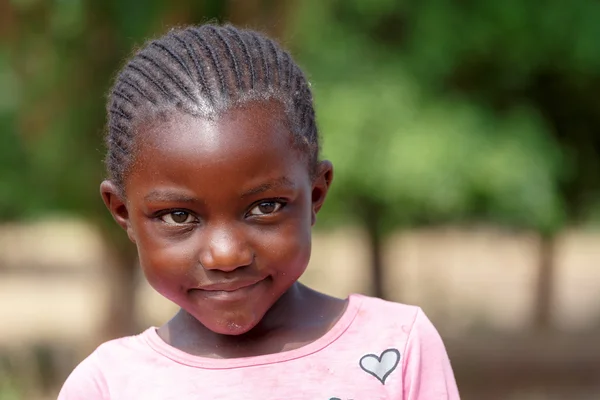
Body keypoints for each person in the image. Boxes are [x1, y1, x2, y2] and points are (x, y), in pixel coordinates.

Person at [57, 23, 460, 399]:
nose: (227, 255)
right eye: (179, 216)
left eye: (265, 207)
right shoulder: (109, 386)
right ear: (123, 212)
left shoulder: (397, 344)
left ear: (316, 194)